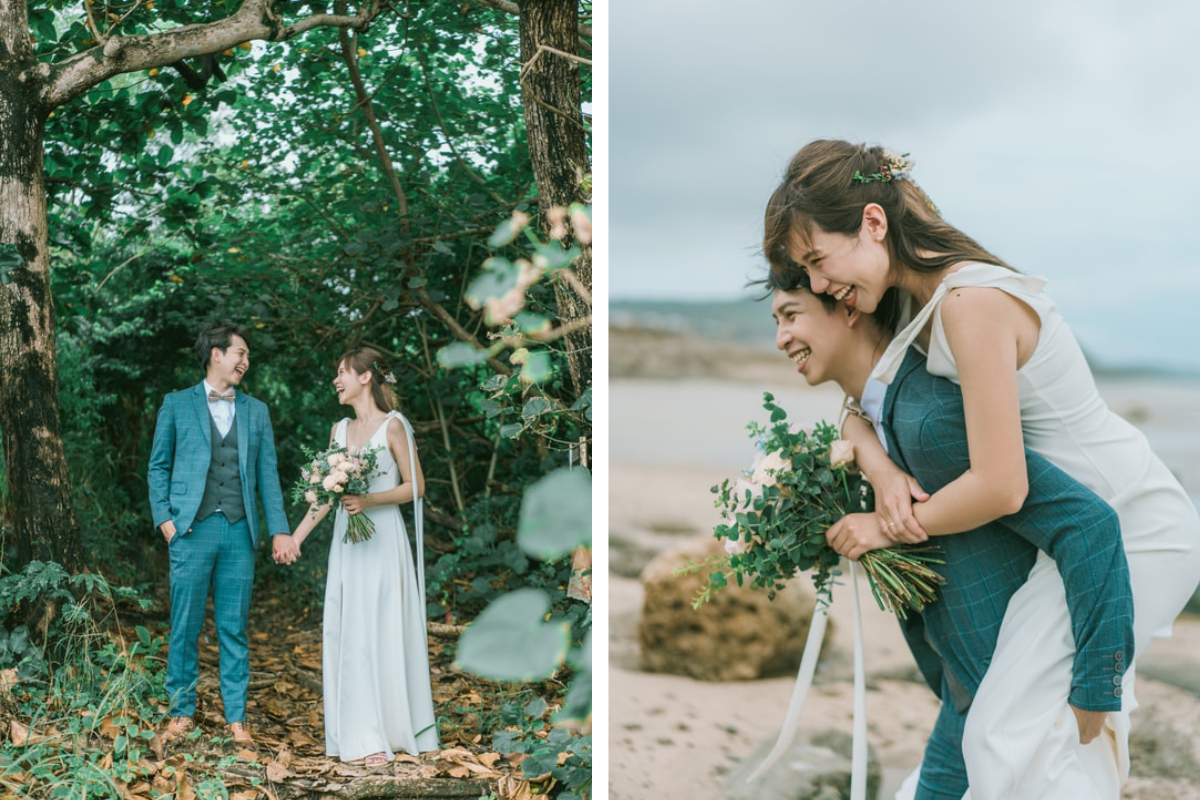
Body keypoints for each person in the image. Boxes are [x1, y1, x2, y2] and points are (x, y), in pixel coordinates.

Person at [763, 139, 1200, 798]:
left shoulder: (969, 303)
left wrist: (886, 527)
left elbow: (1002, 484)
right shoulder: (918, 300)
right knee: (1009, 728)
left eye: (818, 261)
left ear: (874, 223)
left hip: (1128, 520)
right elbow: (866, 401)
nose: (821, 286)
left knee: (1015, 730)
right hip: (1069, 532)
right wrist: (880, 468)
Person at [768, 276, 1134, 798]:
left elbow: (1090, 525)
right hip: (965, 700)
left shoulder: (931, 416)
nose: (780, 337)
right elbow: (856, 417)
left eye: (790, 315)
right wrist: (873, 467)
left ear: (847, 309)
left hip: (1024, 703)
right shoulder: (881, 415)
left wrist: (1098, 690)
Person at [279, 347, 438, 766]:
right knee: (351, 634)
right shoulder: (339, 430)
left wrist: (369, 500)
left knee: (382, 630)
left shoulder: (394, 426)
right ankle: (362, 734)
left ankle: (393, 731)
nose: (337, 380)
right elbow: (327, 498)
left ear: (366, 377)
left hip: (383, 542)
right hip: (348, 546)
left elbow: (416, 486)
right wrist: (295, 539)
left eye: (343, 372)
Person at [148, 323, 292, 748]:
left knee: (234, 628)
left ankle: (237, 719)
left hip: (238, 533)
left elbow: (268, 474)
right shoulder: (175, 404)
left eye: (247, 356)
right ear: (216, 354)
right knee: (185, 625)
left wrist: (280, 530)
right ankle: (180, 711)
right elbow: (158, 466)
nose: (246, 362)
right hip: (190, 530)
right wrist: (165, 522)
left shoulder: (257, 411)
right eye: (240, 353)